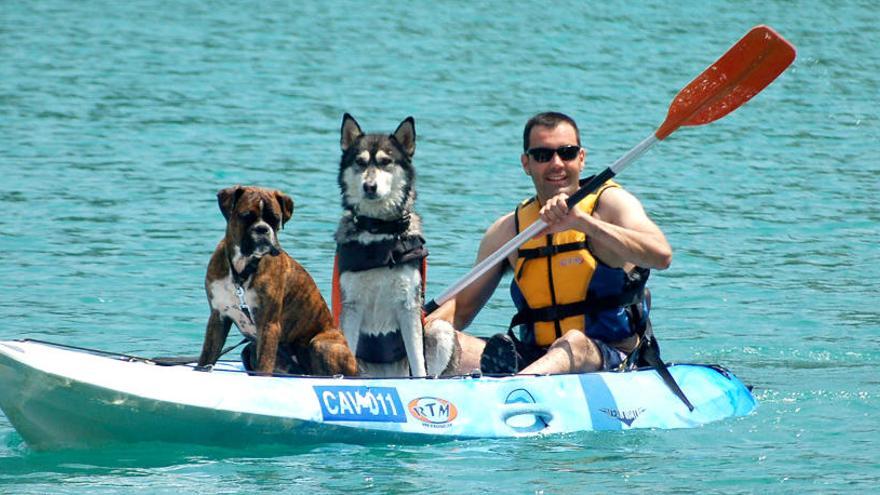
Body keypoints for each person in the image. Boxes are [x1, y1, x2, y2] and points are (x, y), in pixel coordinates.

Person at [424, 112, 672, 375]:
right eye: (543, 155)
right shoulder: (509, 230)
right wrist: (422, 329)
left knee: (572, 343)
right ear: (526, 163)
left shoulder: (609, 205)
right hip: (535, 358)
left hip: (612, 358)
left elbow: (661, 256)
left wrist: (583, 224)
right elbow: (460, 309)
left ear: (581, 158)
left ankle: (514, 387)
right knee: (437, 335)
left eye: (566, 153)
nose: (556, 163)